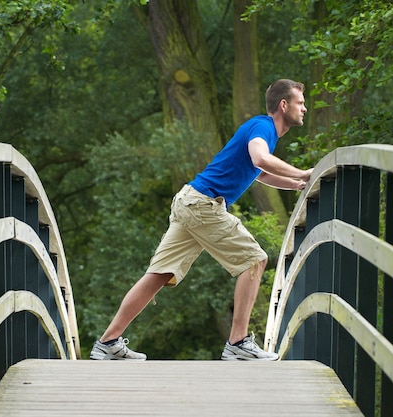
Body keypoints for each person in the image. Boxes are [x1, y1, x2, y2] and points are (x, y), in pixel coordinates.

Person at [90, 79, 313, 361]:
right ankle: (238, 343)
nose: (304, 108)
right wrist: (302, 174)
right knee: (255, 260)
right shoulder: (264, 127)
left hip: (188, 201)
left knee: (159, 275)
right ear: (284, 105)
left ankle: (107, 342)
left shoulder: (263, 130)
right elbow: (260, 159)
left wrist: (293, 185)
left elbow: (260, 172)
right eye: (300, 103)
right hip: (202, 205)